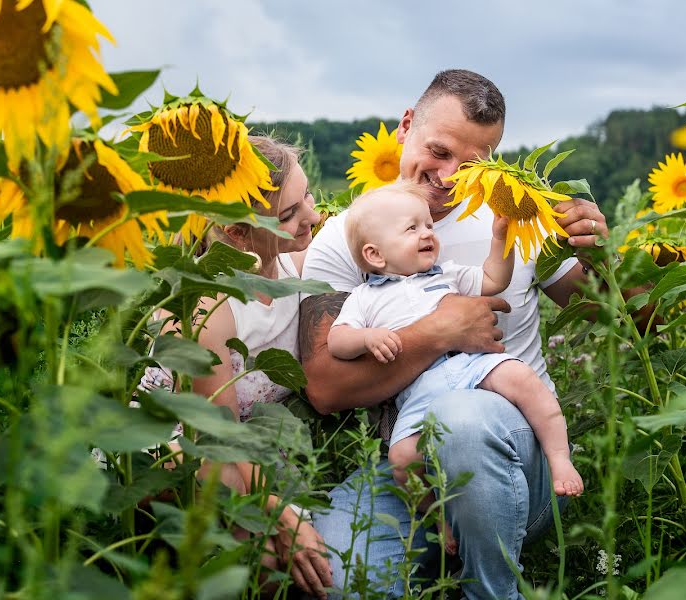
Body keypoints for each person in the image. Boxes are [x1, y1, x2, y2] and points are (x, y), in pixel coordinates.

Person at [300, 70, 609, 599]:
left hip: (518, 456)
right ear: (404, 126)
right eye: (438, 151)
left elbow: (614, 312)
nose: (448, 176)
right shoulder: (352, 237)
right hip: (411, 468)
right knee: (335, 575)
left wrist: (600, 253)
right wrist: (442, 330)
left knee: (461, 419)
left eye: (471, 166)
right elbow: (325, 388)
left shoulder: (512, 213)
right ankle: (449, 544)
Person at [144, 136, 331, 598]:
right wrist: (282, 514)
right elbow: (216, 434)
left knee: (281, 551)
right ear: (237, 233)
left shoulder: (296, 263)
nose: (312, 216)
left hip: (258, 446)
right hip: (182, 445)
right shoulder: (210, 302)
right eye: (288, 214)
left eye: (306, 195)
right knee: (265, 545)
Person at [327, 182, 583, 511]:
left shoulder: (446, 275)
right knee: (402, 458)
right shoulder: (364, 298)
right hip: (418, 388)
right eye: (412, 228)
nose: (427, 234)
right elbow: (337, 340)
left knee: (522, 379)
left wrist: (500, 240)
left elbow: (493, 279)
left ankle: (559, 458)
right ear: (374, 254)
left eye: (429, 226)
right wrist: (366, 338)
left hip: (469, 366)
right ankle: (437, 517)